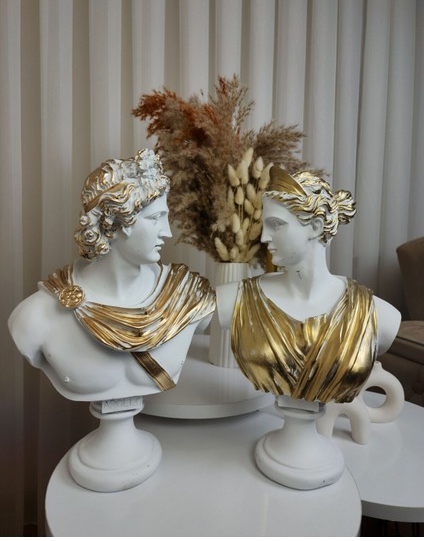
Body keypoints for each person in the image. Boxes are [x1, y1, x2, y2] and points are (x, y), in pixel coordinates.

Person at [8, 149, 215, 402]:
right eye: (155, 218)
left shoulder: (187, 296)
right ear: (113, 222)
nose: (167, 232)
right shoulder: (35, 317)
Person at [217, 166, 400, 404]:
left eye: (276, 224)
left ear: (315, 227)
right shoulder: (235, 299)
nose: (263, 237)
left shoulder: (379, 315)